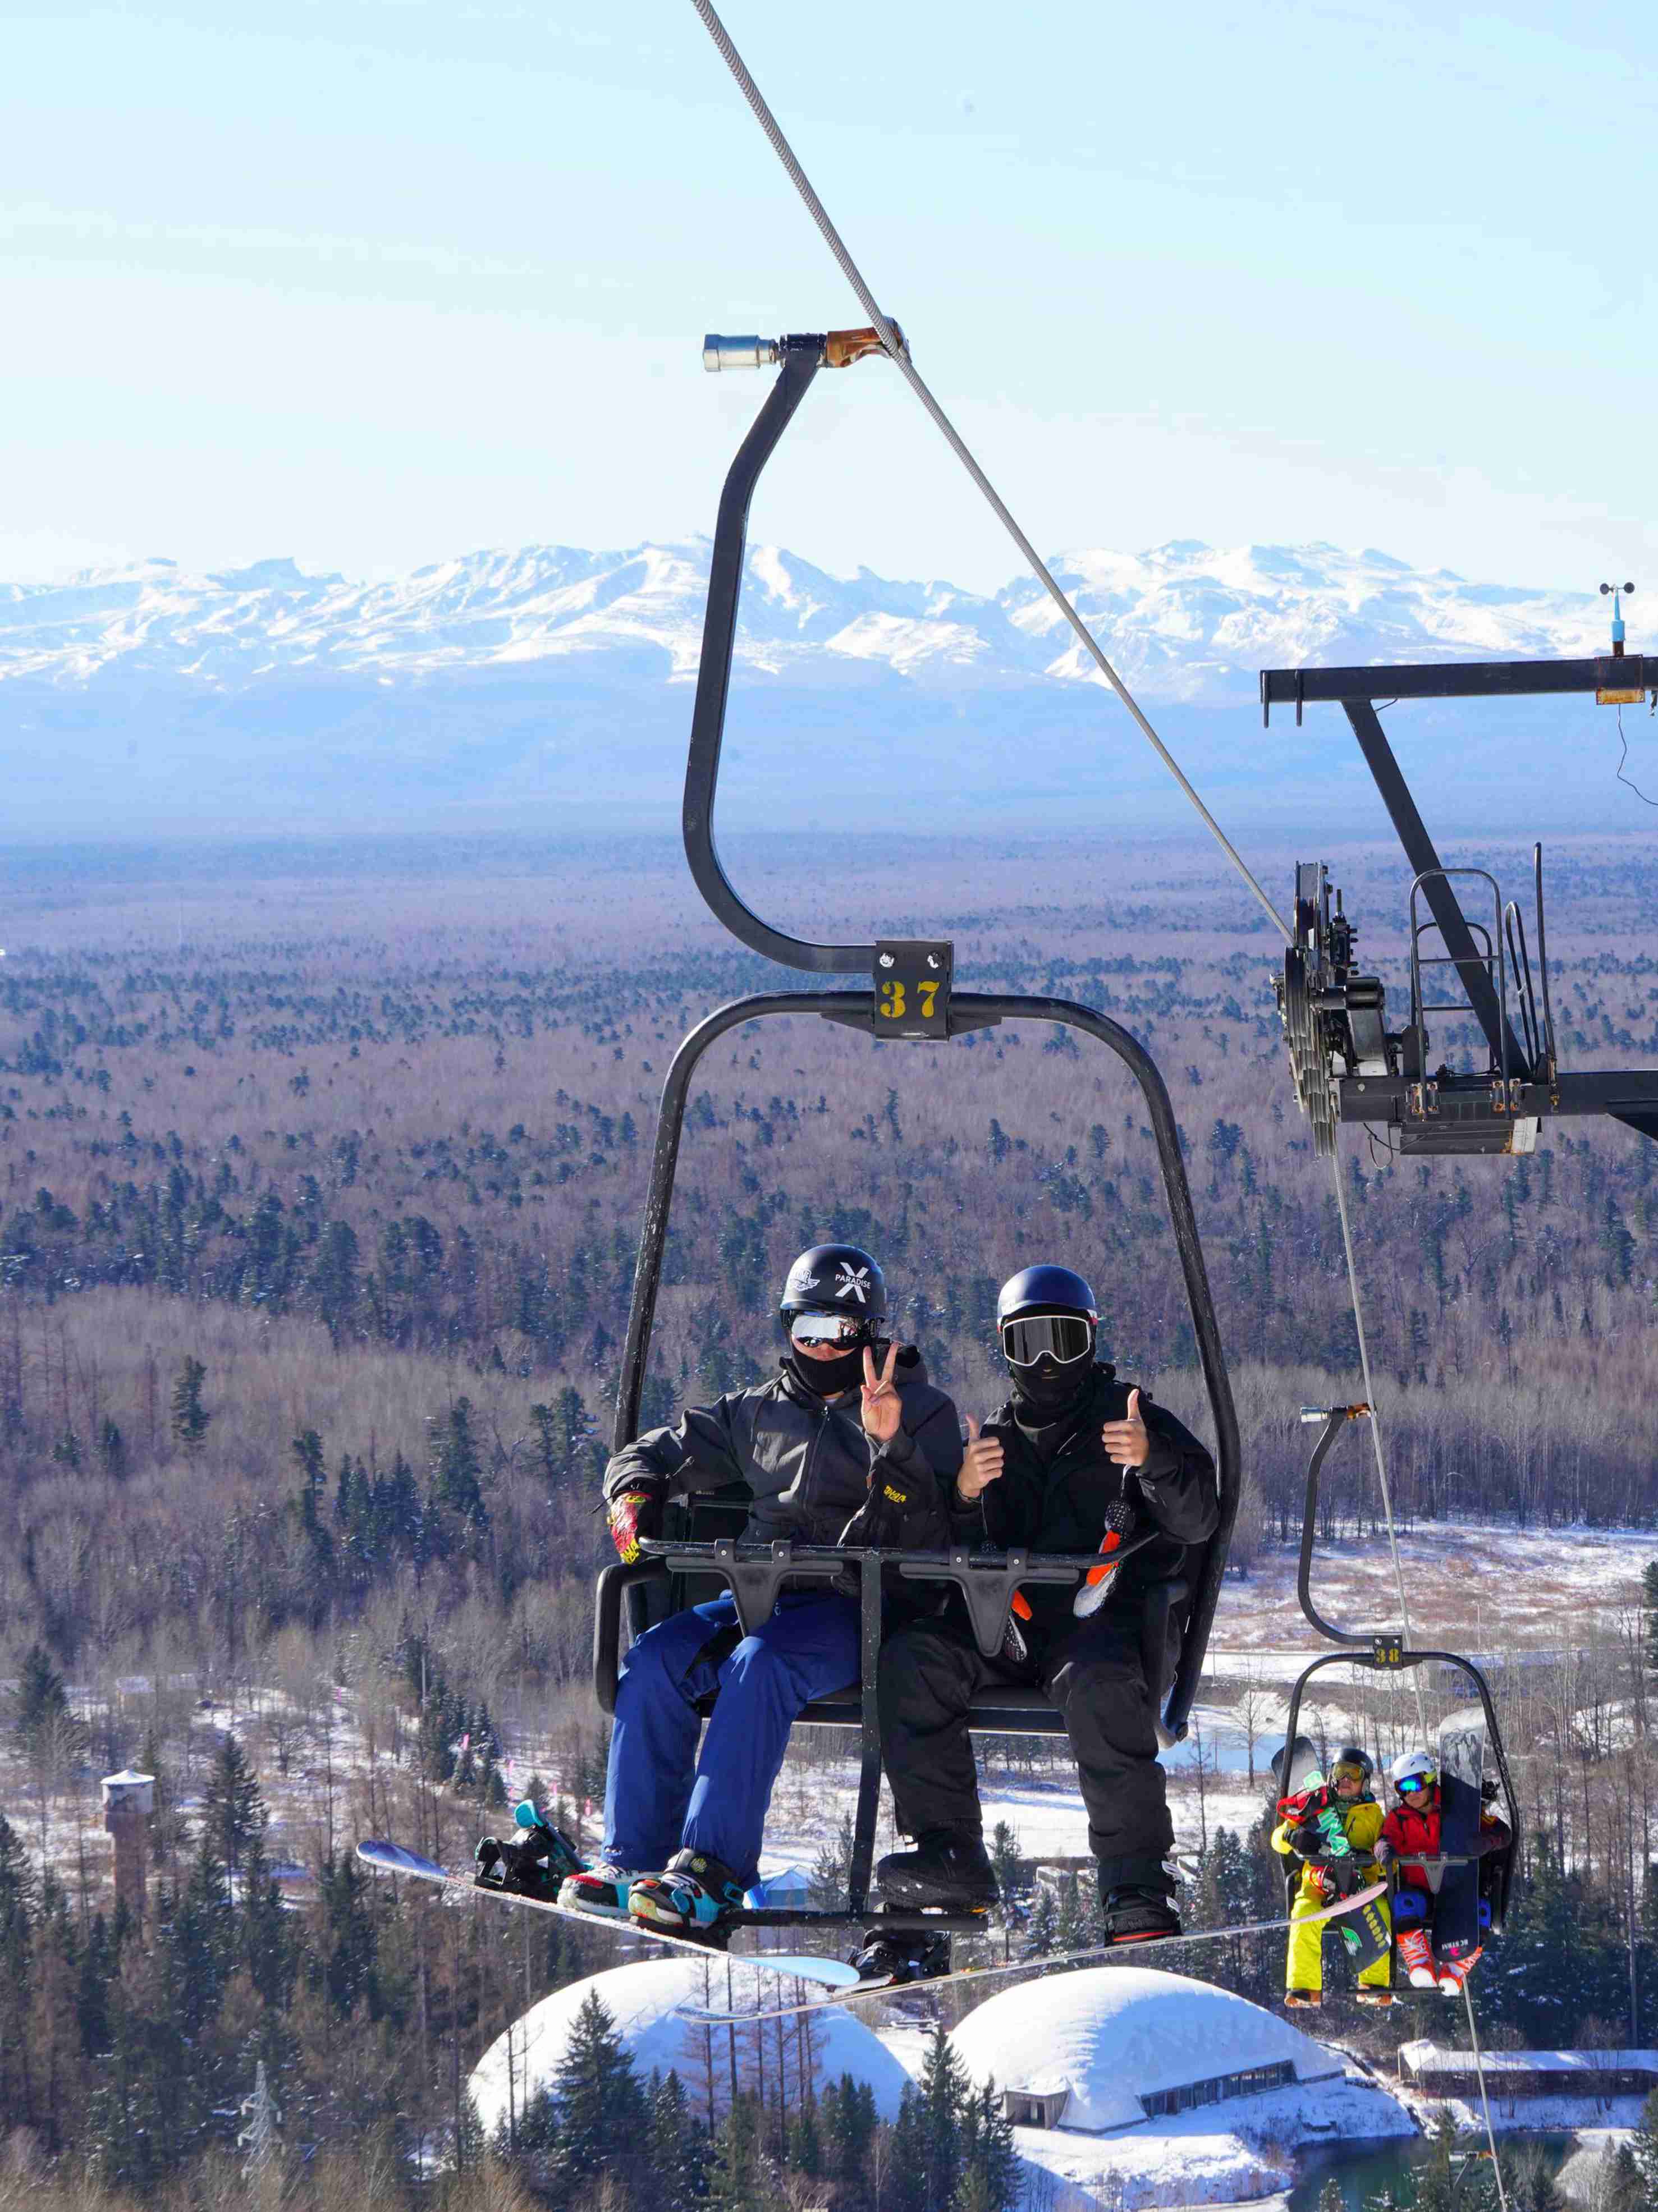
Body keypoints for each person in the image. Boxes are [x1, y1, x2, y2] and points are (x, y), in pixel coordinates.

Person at [559, 1242, 963, 1942]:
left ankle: (710, 1870)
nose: (820, 1346)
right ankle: (635, 1859)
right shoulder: (757, 1412)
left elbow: (934, 1521)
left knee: (758, 1665)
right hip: (760, 1595)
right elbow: (656, 1450)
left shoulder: (921, 1411)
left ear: (869, 1333)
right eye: (804, 1329)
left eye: (838, 1332)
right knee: (655, 1658)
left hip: (858, 1606)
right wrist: (632, 1490)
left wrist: (888, 1442)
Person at [873, 1264, 1218, 1945]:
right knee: (911, 1660)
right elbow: (963, 1553)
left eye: (1062, 1340)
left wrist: (1152, 1462)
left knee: (1100, 1688)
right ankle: (949, 1855)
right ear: (1006, 1351)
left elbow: (1197, 1519)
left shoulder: (1132, 1417)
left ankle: (1135, 1884)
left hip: (1100, 1626)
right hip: (1007, 1625)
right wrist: (967, 1496)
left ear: (1089, 1340)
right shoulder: (995, 1437)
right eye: (1028, 1343)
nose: (1047, 1361)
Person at [1377, 1749, 1512, 1993]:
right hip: (1420, 1891)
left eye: (1415, 1784)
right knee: (1404, 1903)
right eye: (1402, 1788)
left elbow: (1502, 1832)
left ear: (1429, 1779)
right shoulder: (1399, 1818)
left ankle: (1457, 1967)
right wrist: (1385, 1850)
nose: (1411, 1794)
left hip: (1457, 1890)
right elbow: (1386, 1839)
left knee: (1481, 1911)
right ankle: (1419, 1962)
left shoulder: (1457, 1810)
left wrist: (1486, 1841)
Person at [1271, 1745, 1393, 2009]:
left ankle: (1373, 1984)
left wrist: (1379, 1857)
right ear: (1331, 1777)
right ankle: (1304, 1987)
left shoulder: (1373, 1817)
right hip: (1319, 1886)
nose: (1346, 1780)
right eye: (1341, 1772)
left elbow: (1387, 1849)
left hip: (1361, 1887)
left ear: (1366, 1781)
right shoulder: (1315, 1808)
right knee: (1304, 1914)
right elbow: (1277, 1841)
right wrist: (1292, 1836)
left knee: (1380, 1911)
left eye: (1354, 1774)